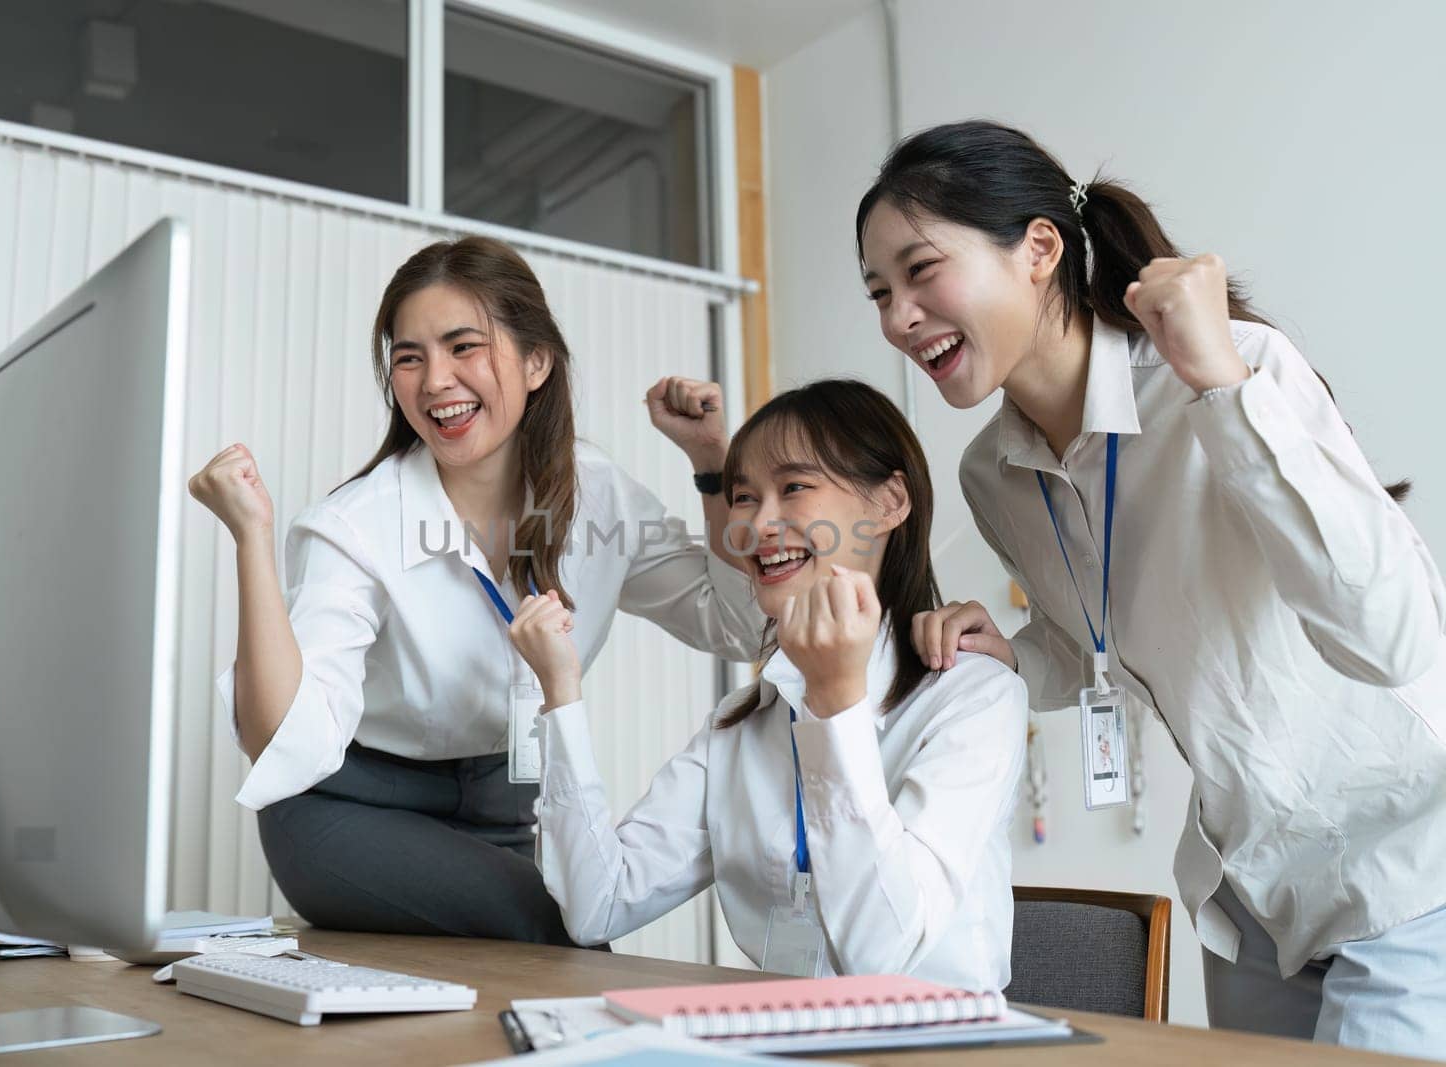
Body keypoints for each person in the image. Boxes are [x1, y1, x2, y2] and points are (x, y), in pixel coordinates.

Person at [856, 119, 1446, 1056]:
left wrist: (1223, 384)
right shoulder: (992, 475)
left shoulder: (1230, 372)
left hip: (1412, 866)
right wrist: (1015, 652)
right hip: (1250, 896)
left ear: (1039, 248)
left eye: (921, 270)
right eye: (880, 293)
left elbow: (1396, 635)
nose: (898, 316)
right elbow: (1099, 638)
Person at [187, 235, 765, 944]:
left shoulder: (599, 495)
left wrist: (714, 464)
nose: (435, 381)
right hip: (350, 810)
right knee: (563, 932)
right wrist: (253, 537)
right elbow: (283, 740)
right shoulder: (355, 525)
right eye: (409, 357)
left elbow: (736, 625)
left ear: (536, 361)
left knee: (566, 930)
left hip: (502, 805)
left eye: (464, 346)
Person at [509, 378, 1027, 988]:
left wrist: (836, 704)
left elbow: (878, 956)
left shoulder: (974, 697)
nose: (758, 524)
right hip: (782, 1038)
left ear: (890, 503)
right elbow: (597, 906)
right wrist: (560, 696)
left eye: (795, 488)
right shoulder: (745, 721)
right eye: (745, 498)